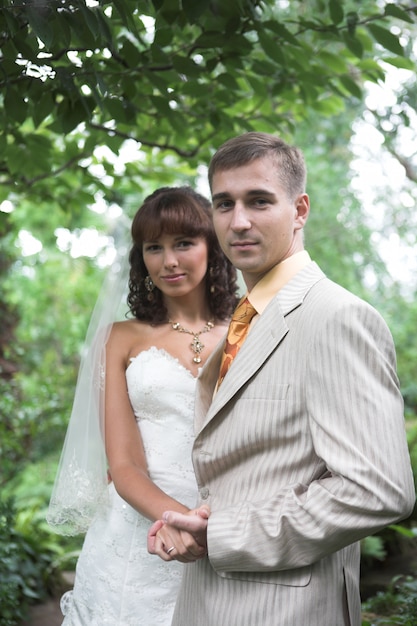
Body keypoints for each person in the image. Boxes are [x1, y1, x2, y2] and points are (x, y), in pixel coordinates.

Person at [148, 133, 415, 626]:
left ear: (300, 209)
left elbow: (378, 489)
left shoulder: (336, 318)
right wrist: (198, 525)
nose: (239, 221)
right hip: (207, 602)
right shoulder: (244, 319)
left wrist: (225, 535)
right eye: (224, 204)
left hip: (285, 610)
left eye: (259, 201)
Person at [47, 186, 239, 625]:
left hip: (227, 529)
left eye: (184, 243)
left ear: (213, 246)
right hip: (139, 533)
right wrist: (180, 520)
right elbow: (125, 463)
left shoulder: (248, 332)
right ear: (141, 257)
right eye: (155, 247)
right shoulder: (120, 337)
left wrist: (215, 531)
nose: (169, 261)